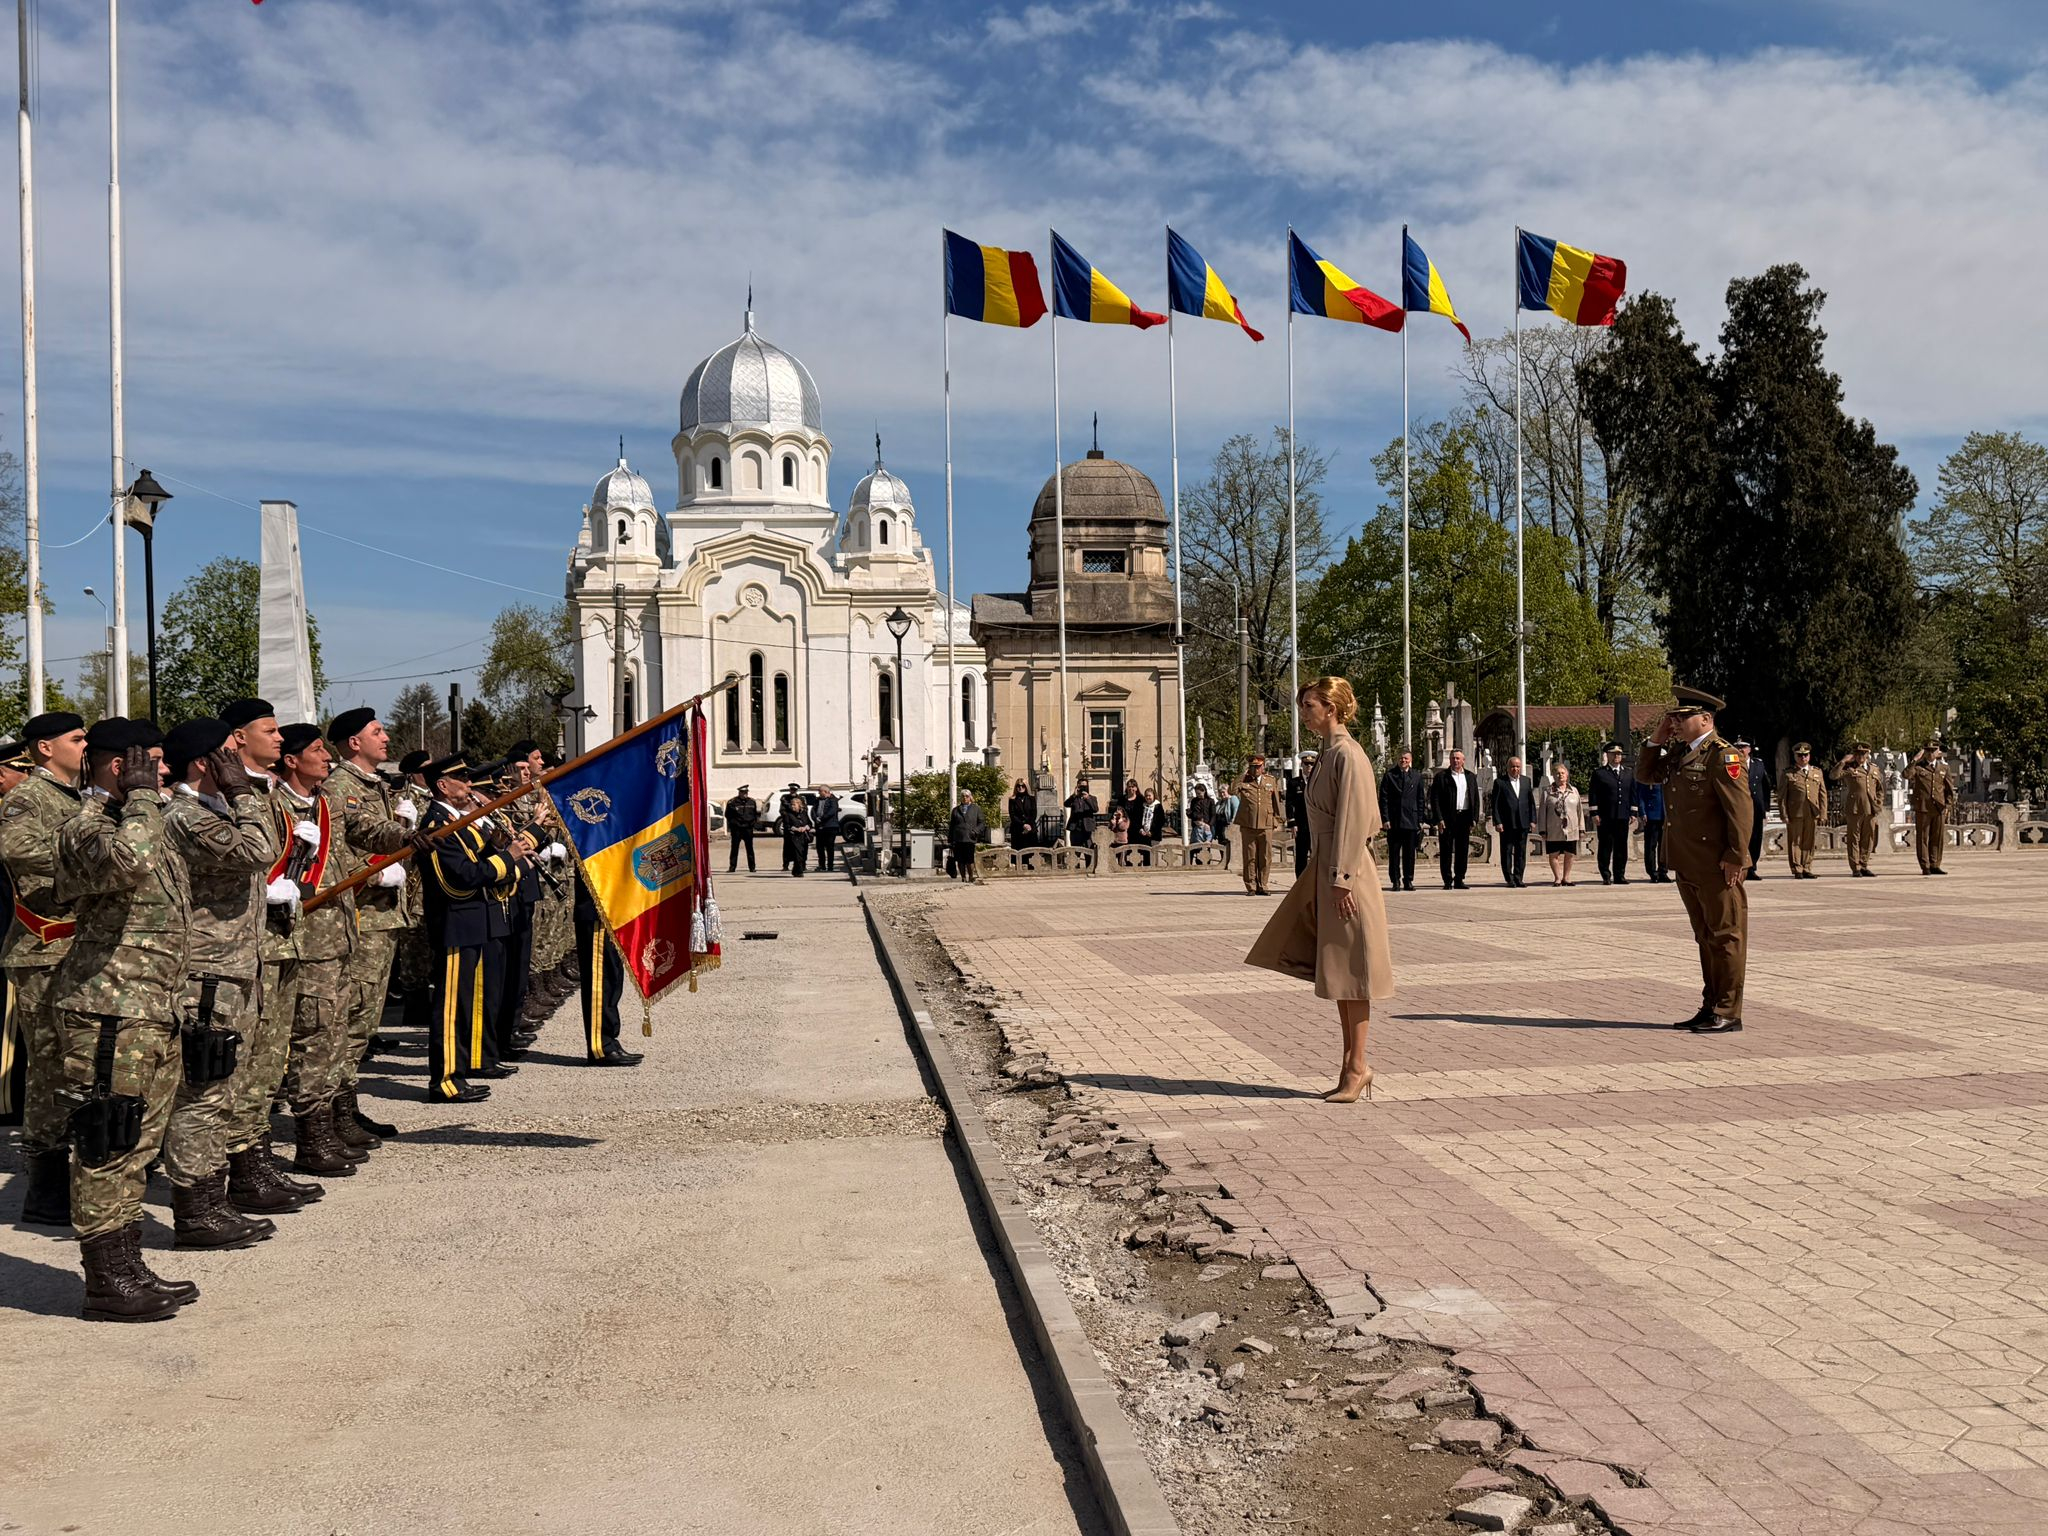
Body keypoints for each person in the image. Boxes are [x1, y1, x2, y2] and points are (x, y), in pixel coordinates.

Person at [52, 720, 201, 1320]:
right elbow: (131, 863)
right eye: (152, 763)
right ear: (122, 767)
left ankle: (125, 1259)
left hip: (151, 1006)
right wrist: (140, 797)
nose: (162, 773)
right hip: (108, 1008)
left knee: (137, 1144)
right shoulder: (85, 828)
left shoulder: (146, 821)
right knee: (107, 1141)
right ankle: (106, 1278)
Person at [157, 719, 281, 1251]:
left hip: (235, 968)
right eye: (229, 752)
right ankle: (195, 1209)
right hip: (206, 975)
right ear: (205, 762)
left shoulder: (215, 810)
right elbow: (261, 851)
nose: (240, 759)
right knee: (202, 1092)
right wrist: (242, 791)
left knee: (223, 1087)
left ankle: (213, 1198)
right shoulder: (185, 815)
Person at [1245, 678, 1394, 1105]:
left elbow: (1358, 819)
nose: (1303, 712)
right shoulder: (1329, 754)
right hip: (1329, 867)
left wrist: (1341, 877)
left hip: (1346, 874)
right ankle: (1351, 1065)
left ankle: (1358, 1066)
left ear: (1331, 707)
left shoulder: (1348, 754)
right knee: (1340, 975)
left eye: (1308, 705)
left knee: (1354, 976)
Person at [216, 699, 324, 1215]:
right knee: (242, 1062)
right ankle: (240, 1167)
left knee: (267, 1058)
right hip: (241, 945)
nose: (280, 739)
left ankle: (255, 1161)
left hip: (279, 939)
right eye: (270, 730)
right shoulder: (223, 793)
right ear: (238, 737)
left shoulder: (270, 793)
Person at [0, 710, 87, 1227]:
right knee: (50, 1068)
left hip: (77, 946)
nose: (85, 746)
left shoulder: (77, 797)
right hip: (42, 948)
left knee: (75, 1065)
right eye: (76, 739)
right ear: (45, 748)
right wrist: (91, 854)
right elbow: (15, 850)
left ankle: (68, 1171)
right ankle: (45, 1185)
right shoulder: (28, 797)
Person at [320, 708, 418, 1145]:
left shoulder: (372, 785)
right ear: (353, 743)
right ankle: (334, 1112)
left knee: (364, 1020)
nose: (386, 735)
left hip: (381, 916)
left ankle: (347, 1106)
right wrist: (376, 871)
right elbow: (337, 848)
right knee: (351, 1018)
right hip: (362, 915)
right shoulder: (340, 785)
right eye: (376, 731)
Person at [1636, 687, 1752, 1034]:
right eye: (1673, 717)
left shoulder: (1723, 756)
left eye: (1682, 717)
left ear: (1706, 719)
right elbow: (1646, 774)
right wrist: (1655, 739)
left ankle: (1729, 1010)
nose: (1675, 723)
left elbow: (1740, 811)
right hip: (1687, 862)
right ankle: (1711, 1004)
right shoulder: (1679, 754)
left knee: (1726, 936)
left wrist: (1736, 857)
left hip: (1716, 863)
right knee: (1705, 936)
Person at [418, 753, 517, 1104]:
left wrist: (496, 848)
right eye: (461, 779)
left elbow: (474, 862)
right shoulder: (436, 827)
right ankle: (445, 1079)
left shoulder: (458, 823)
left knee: (463, 1003)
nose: (469, 784)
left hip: (472, 921)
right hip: (456, 923)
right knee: (450, 1006)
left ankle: (458, 1071)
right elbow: (460, 879)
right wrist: (507, 858)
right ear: (443, 786)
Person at [573, 866, 642, 1067]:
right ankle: (600, 1046)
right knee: (599, 980)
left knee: (612, 978)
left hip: (612, 903)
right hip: (597, 905)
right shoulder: (591, 833)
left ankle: (609, 1039)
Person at [1430, 748, 1481, 890]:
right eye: (1453, 758)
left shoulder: (1470, 777)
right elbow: (1435, 799)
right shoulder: (1442, 777)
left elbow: (1475, 799)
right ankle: (1447, 879)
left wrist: (1474, 818)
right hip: (1447, 818)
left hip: (1464, 817)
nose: (1455, 761)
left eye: (1458, 758)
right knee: (1446, 850)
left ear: (1463, 761)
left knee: (1462, 850)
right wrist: (1439, 818)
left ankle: (1459, 878)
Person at [1377, 748, 1427, 893]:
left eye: (1406, 758)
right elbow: (1383, 799)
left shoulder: (1416, 776)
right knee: (1394, 854)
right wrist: (1385, 819)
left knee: (1409, 854)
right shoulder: (1390, 776)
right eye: (1401, 758)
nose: (1403, 761)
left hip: (1411, 821)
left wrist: (1420, 819)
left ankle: (1408, 880)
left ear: (1410, 760)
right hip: (1394, 821)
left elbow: (1420, 799)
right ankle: (1395, 881)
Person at [1235, 754, 1283, 896]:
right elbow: (1232, 790)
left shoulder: (1270, 781)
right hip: (1248, 825)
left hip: (1267, 824)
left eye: (1258, 767)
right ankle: (1251, 886)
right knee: (1250, 856)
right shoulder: (1245, 781)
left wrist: (1278, 820)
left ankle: (1263, 884)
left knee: (1265, 857)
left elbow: (1276, 801)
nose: (1255, 770)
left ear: (1263, 767)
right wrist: (1242, 775)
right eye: (1252, 767)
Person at [1833, 743, 1883, 877]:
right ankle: (1855, 866)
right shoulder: (1850, 768)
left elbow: (1879, 789)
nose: (1860, 756)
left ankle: (1864, 864)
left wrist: (1878, 803)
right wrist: (1843, 761)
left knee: (1868, 838)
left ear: (1867, 754)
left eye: (1863, 754)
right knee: (1854, 838)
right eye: (1858, 754)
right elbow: (1834, 775)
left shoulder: (1874, 769)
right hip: (1855, 808)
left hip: (1870, 808)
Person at [1779, 743, 1827, 879]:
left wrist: (1823, 813)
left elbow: (1823, 794)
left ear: (1809, 756)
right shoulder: (1788, 773)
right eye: (1799, 755)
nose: (1803, 758)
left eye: (1805, 755)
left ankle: (1807, 867)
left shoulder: (1817, 772)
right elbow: (1782, 797)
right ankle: (1797, 868)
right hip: (1795, 812)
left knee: (1809, 841)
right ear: (1795, 756)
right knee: (1795, 840)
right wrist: (1784, 814)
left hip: (1812, 812)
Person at [1590, 743, 1636, 885]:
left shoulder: (1628, 772)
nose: (1617, 756)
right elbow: (1594, 794)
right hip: (1606, 815)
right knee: (1605, 846)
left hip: (1622, 815)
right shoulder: (1600, 773)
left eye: (1619, 754)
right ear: (1607, 755)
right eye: (1614, 754)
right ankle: (1605, 874)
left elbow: (1632, 792)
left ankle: (1619, 875)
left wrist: (1634, 811)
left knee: (1621, 846)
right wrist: (1594, 813)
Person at [1907, 742, 1955, 875]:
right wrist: (1915, 760)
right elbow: (1906, 775)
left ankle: (1935, 864)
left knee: (1937, 837)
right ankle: (1925, 865)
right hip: (1923, 807)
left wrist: (1948, 805)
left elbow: (1949, 789)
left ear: (1938, 751)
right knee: (1923, 837)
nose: (1930, 753)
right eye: (1927, 750)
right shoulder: (1918, 767)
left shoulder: (1944, 768)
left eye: (1933, 750)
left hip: (1938, 807)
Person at [1489, 754, 1535, 888]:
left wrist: (1532, 819)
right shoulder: (1500, 782)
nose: (1515, 769)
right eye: (1513, 766)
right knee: (1507, 851)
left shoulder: (1526, 781)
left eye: (1518, 767)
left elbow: (1531, 802)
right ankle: (1509, 878)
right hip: (1507, 823)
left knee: (1521, 852)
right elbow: (1495, 804)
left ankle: (1519, 877)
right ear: (1508, 768)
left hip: (1523, 822)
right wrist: (1498, 822)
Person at [1535, 763, 1584, 886]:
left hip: (1571, 828)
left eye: (1562, 773)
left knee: (1570, 854)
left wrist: (1581, 828)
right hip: (1553, 828)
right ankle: (1557, 878)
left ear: (1567, 775)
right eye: (1557, 773)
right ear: (1553, 776)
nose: (1560, 775)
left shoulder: (1574, 791)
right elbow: (1542, 812)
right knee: (1554, 854)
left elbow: (1579, 811)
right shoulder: (1547, 792)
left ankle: (1566, 877)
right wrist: (1542, 830)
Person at [1733, 741, 1771, 878]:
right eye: (1737, 747)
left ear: (1749, 749)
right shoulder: (1731, 763)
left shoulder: (1758, 764)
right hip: (1738, 807)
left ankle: (1752, 867)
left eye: (1743, 747)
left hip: (1756, 806)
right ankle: (1741, 866)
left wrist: (1765, 808)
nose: (1740, 749)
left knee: (1756, 837)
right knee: (1741, 837)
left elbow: (1766, 786)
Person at [947, 789, 987, 882]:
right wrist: (950, 840)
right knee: (960, 860)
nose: (965, 798)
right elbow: (952, 825)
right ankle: (963, 877)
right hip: (958, 838)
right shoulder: (955, 810)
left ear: (970, 797)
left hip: (970, 838)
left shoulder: (976, 808)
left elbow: (981, 823)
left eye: (967, 796)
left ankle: (971, 876)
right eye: (963, 796)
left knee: (969, 859)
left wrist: (975, 831)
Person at [1286, 755, 1315, 875]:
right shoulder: (1294, 783)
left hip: (1316, 824)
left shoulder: (1318, 782)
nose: (1309, 767)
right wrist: (1292, 823)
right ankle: (1300, 882)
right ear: (1302, 765)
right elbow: (1289, 804)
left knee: (1317, 854)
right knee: (1301, 855)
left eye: (1311, 764)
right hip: (1301, 824)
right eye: (1306, 764)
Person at [724, 784, 759, 873]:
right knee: (734, 848)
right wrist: (734, 824)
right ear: (739, 792)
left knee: (750, 848)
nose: (745, 794)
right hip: (737, 829)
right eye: (743, 792)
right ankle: (732, 867)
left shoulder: (752, 802)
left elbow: (755, 814)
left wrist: (752, 824)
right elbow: (728, 815)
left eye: (746, 792)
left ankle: (752, 867)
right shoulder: (732, 802)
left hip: (748, 829)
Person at [781, 785, 813, 875]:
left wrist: (806, 827)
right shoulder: (785, 802)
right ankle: (798, 871)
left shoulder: (803, 812)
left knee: (802, 854)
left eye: (794, 805)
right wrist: (796, 829)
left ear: (799, 805)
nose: (792, 806)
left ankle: (796, 870)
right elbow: (787, 824)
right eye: (791, 805)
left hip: (803, 836)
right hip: (794, 837)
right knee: (796, 854)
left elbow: (809, 823)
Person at [1064, 776, 1099, 848]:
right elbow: (1066, 804)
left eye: (1084, 786)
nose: (1083, 788)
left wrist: (1088, 799)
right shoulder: (1074, 798)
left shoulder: (1092, 798)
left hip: (1087, 829)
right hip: (1075, 829)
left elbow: (1095, 809)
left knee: (1089, 851)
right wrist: (1074, 795)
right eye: (1081, 786)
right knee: (1075, 852)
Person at [814, 786, 841, 872]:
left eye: (820, 792)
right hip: (819, 826)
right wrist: (815, 818)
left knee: (829, 847)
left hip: (830, 826)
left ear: (825, 792)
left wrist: (822, 818)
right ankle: (822, 865)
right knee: (819, 847)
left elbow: (832, 812)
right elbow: (813, 810)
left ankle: (830, 866)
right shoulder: (818, 800)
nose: (819, 793)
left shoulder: (833, 800)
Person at [1007, 779, 1036, 850]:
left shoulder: (1031, 798)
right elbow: (1012, 815)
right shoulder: (1012, 800)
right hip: (1017, 829)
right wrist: (1023, 825)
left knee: (1031, 853)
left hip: (1030, 829)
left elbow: (1034, 813)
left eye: (1023, 786)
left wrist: (1028, 825)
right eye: (1018, 786)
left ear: (1026, 787)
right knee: (1017, 853)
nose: (1020, 788)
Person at [1119, 778, 1148, 847]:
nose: (1131, 788)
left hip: (1138, 829)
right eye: (1129, 786)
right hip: (1125, 830)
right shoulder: (1121, 799)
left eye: (1133, 787)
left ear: (1136, 788)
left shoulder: (1141, 799)